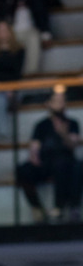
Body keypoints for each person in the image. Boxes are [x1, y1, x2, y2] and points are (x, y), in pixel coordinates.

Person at [16, 89, 81, 224]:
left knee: (65, 165)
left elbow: (73, 145)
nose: (60, 104)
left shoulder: (72, 123)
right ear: (49, 104)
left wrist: (63, 134)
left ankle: (60, 207)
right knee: (23, 170)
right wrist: (33, 155)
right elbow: (35, 144)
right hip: (45, 161)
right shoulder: (42, 125)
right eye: (57, 101)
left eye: (62, 101)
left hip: (65, 160)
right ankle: (37, 208)